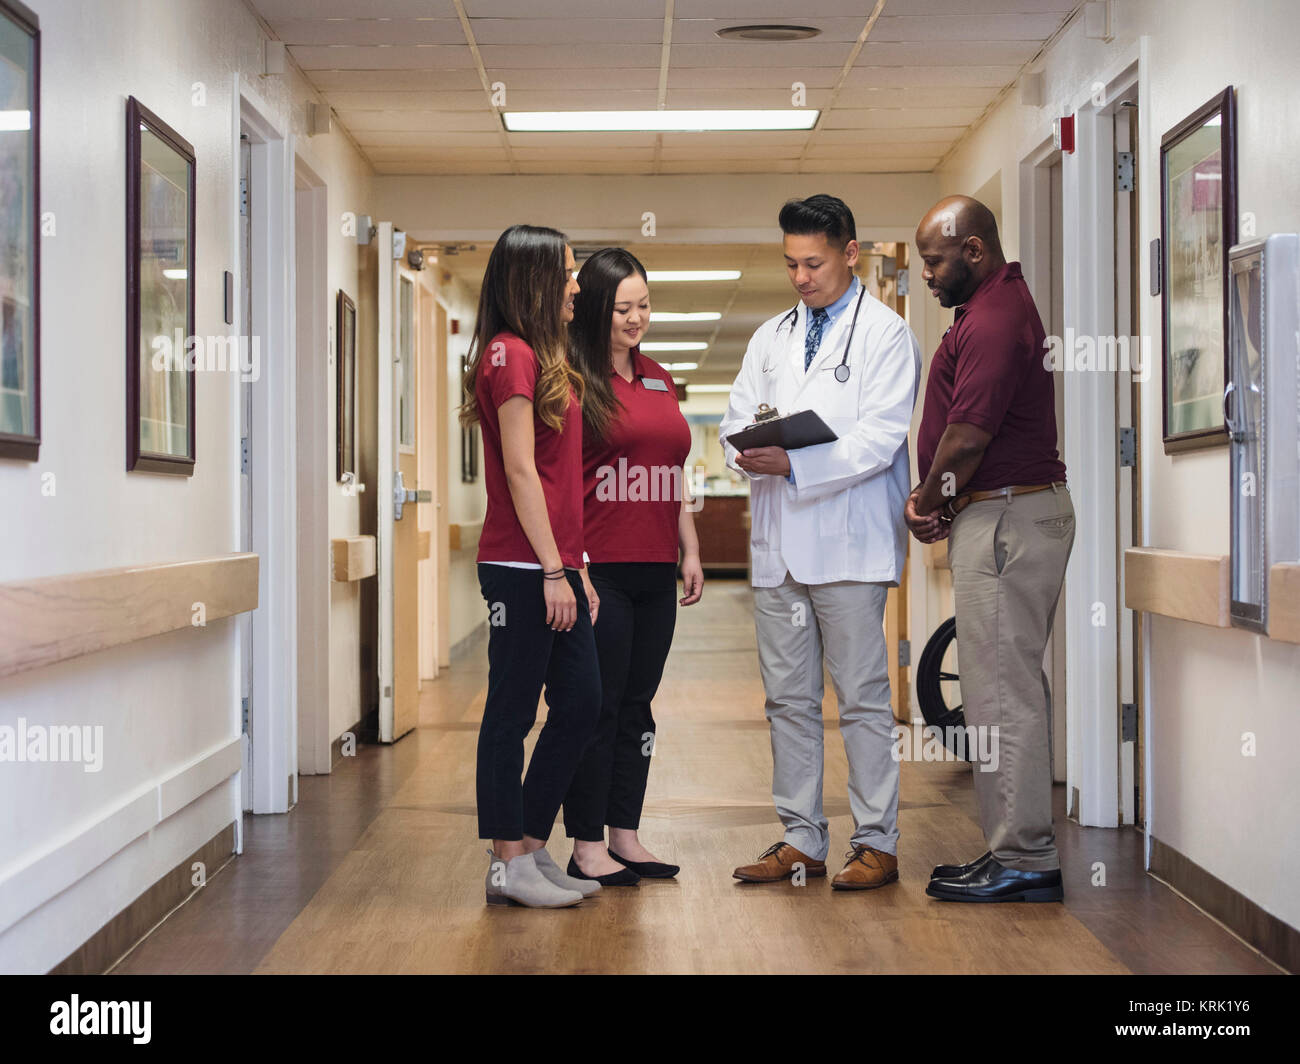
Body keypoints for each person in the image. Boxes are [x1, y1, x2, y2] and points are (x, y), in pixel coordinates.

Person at [721, 194, 920, 890]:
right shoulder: (771, 336)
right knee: (788, 700)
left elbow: (877, 440)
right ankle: (801, 838)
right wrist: (740, 451)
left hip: (848, 546)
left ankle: (877, 843)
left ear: (850, 254)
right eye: (790, 264)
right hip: (778, 547)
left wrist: (795, 464)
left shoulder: (886, 335)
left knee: (863, 697)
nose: (801, 277)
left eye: (814, 263)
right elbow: (736, 416)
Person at [907, 195, 1074, 904]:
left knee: (1002, 694)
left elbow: (969, 436)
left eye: (935, 261)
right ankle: (1010, 847)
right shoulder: (987, 311)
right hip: (998, 513)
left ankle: (1026, 858)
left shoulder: (998, 319)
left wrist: (926, 500)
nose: (927, 275)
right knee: (995, 691)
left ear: (973, 251)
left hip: (1008, 518)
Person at [461, 224, 603, 908]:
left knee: (582, 701)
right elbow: (520, 470)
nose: (576, 285)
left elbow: (555, 477)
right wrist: (553, 570)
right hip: (520, 567)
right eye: (569, 273)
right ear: (536, 281)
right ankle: (504, 861)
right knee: (511, 712)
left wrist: (577, 567)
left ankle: (530, 847)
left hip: (551, 563)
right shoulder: (508, 353)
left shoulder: (542, 357)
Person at [561, 248, 704, 887]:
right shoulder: (570, 379)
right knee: (600, 706)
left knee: (639, 706)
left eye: (644, 305)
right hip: (602, 569)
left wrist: (691, 548)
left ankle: (626, 833)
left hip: (655, 569)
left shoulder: (660, 378)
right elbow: (555, 482)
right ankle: (586, 843)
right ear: (594, 306)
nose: (636, 318)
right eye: (623, 307)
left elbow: (671, 474)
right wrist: (577, 566)